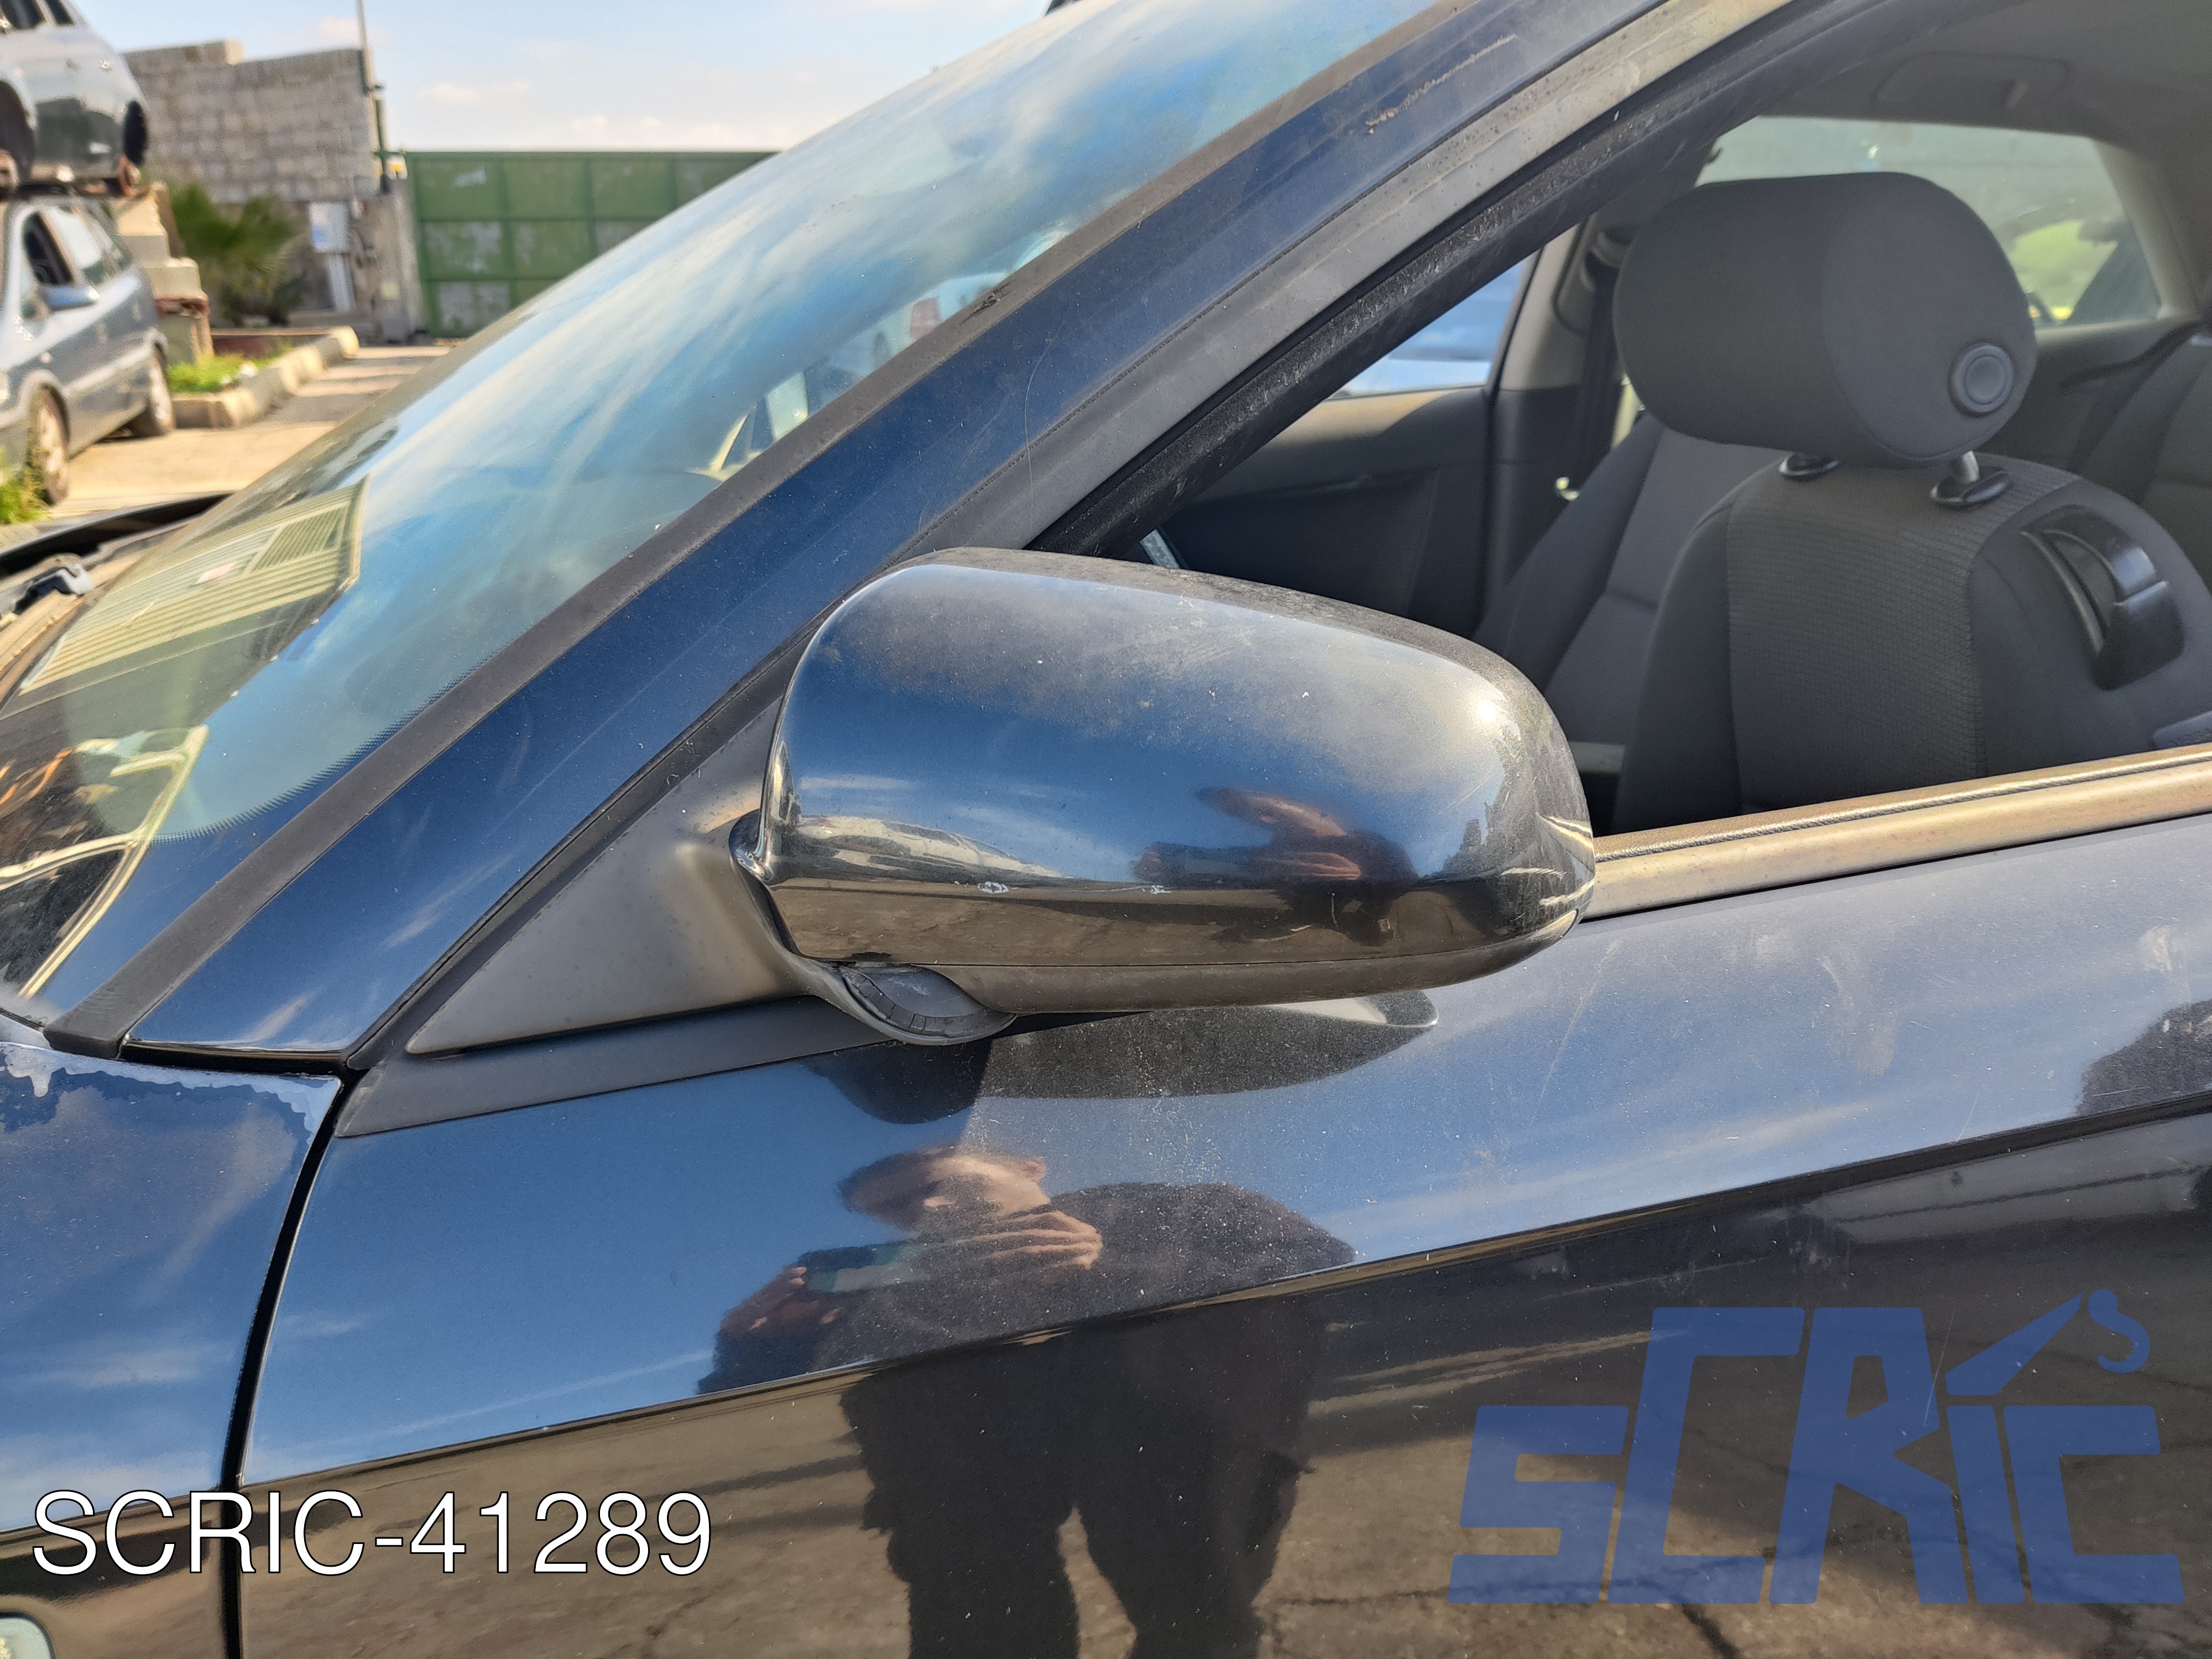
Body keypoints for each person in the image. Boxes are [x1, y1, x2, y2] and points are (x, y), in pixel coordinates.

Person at [703, 1145, 1353, 1658]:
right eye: (893, 1209)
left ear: (1027, 1166)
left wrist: (1114, 1272)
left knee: (1199, 1618)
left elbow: (1318, 1269)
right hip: (967, 1492)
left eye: (936, 1184)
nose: (924, 1211)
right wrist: (754, 1347)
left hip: (1183, 1464)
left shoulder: (1180, 1207)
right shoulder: (879, 1277)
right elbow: (783, 1398)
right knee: (982, 1626)